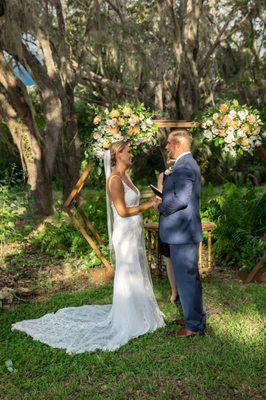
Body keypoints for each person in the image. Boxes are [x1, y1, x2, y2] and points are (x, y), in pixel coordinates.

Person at [12, 141, 165, 353]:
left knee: (136, 271)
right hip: (125, 233)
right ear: (117, 155)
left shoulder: (126, 176)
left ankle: (139, 311)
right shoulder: (114, 179)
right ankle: (128, 318)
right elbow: (121, 210)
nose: (131, 155)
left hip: (133, 230)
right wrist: (149, 205)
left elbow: (132, 205)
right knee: (127, 273)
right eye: (128, 152)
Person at [156, 130, 206, 337]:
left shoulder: (185, 166)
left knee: (186, 279)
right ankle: (193, 317)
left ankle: (193, 326)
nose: (167, 147)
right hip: (182, 232)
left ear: (177, 145)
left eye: (168, 143)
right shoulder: (186, 164)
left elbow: (181, 200)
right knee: (189, 278)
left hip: (182, 234)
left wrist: (160, 206)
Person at [157, 159, 178, 303]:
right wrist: (157, 201)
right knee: (168, 258)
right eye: (168, 158)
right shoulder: (162, 176)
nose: (171, 160)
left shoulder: (185, 173)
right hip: (166, 219)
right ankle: (174, 290)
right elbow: (158, 198)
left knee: (181, 257)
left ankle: (183, 288)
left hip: (181, 220)